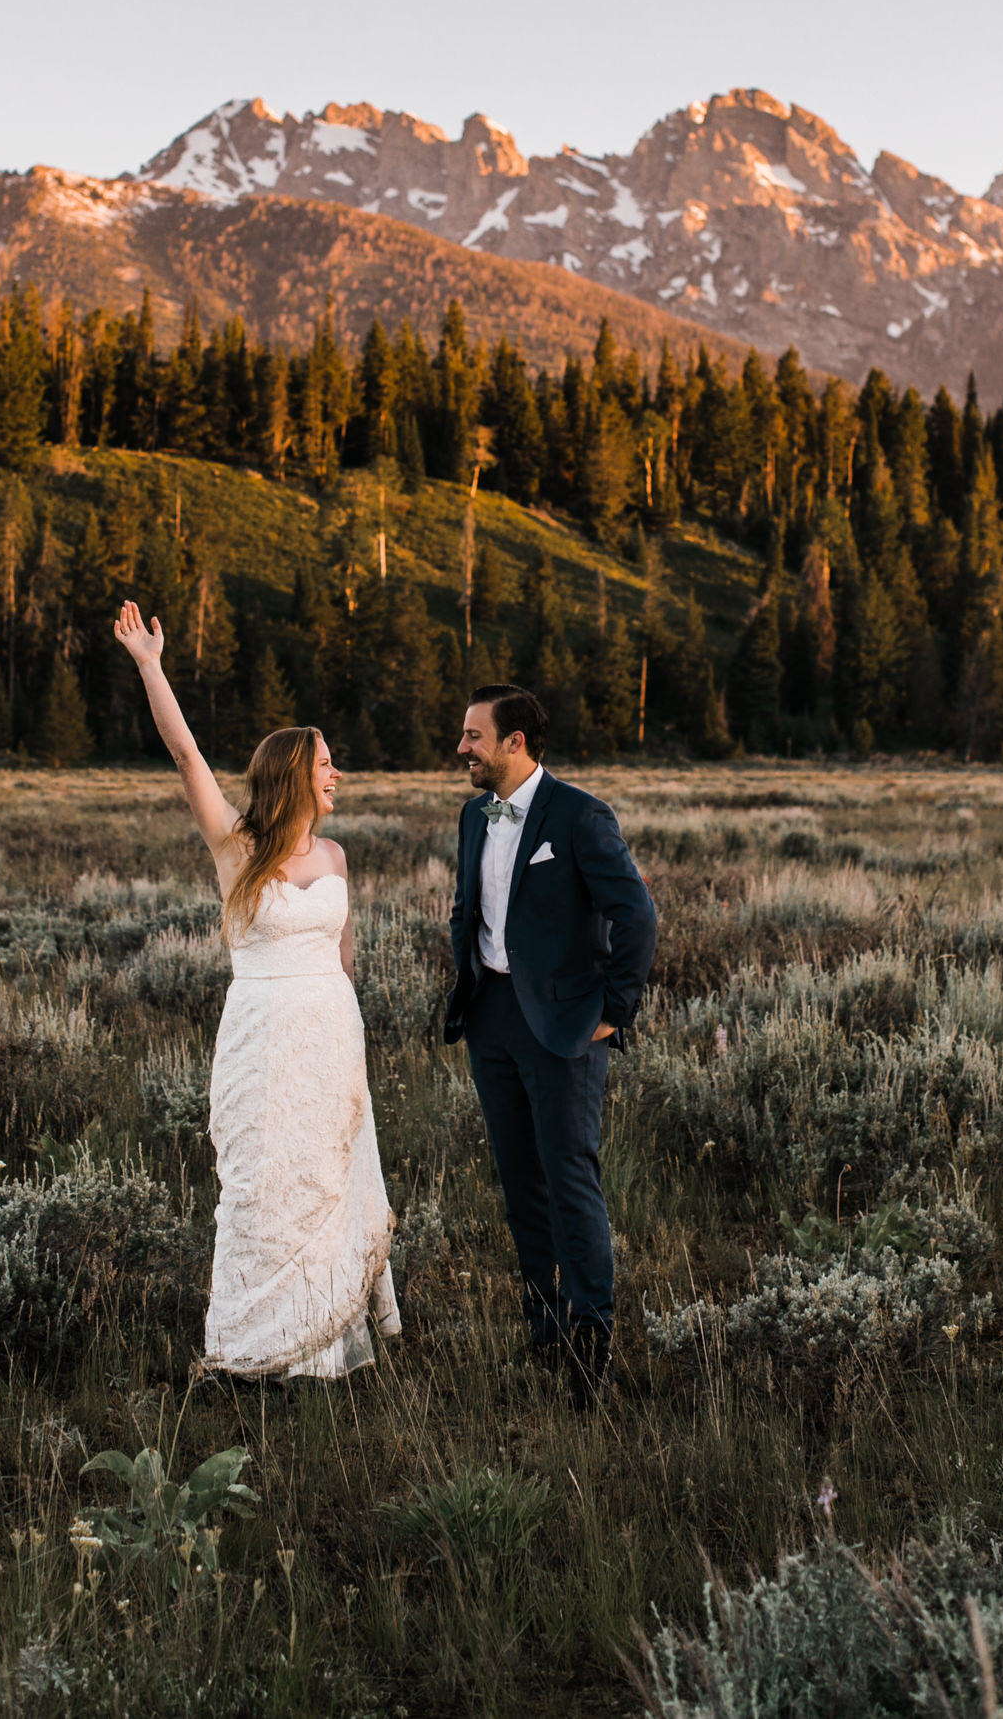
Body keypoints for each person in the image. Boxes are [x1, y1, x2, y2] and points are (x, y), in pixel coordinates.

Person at [114, 600, 400, 1379]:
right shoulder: (237, 849)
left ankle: (321, 1348)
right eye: (324, 763)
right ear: (291, 776)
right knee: (261, 1184)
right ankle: (248, 1349)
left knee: (322, 1182)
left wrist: (354, 1059)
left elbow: (344, 963)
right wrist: (150, 664)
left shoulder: (338, 858)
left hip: (329, 1037)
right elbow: (183, 754)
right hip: (263, 1037)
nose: (336, 773)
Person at [445, 683, 657, 1407]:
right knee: (519, 1185)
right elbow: (465, 908)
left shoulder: (578, 814)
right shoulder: (474, 814)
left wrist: (613, 1010)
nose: (461, 748)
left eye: (474, 736)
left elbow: (636, 914)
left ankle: (590, 1344)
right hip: (492, 1018)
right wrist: (468, 984)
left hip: (565, 1025)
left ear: (515, 743)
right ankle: (543, 1330)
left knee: (569, 1182)